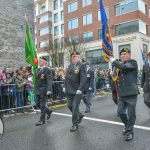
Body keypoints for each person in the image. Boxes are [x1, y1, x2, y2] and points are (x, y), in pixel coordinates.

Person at [110, 48, 139, 141]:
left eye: (125, 54)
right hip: (122, 94)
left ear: (129, 55)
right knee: (120, 112)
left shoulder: (133, 62)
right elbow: (115, 76)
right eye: (121, 54)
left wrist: (114, 61)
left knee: (131, 114)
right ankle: (127, 126)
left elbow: (125, 67)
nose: (123, 55)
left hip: (131, 93)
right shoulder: (119, 65)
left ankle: (130, 131)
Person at [65, 51, 87, 132]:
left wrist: (80, 89)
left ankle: (75, 124)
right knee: (69, 105)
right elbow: (67, 77)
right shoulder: (70, 65)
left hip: (77, 90)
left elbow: (83, 78)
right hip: (69, 89)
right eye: (72, 56)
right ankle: (80, 115)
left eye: (75, 56)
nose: (73, 58)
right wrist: (65, 86)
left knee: (74, 107)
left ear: (79, 57)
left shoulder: (81, 65)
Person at [34, 57, 53, 126]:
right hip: (37, 89)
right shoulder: (38, 69)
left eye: (41, 61)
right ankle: (48, 111)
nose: (39, 62)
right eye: (39, 61)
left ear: (45, 62)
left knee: (42, 105)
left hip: (44, 89)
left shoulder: (47, 69)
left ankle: (42, 120)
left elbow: (49, 80)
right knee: (37, 104)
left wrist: (49, 90)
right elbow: (37, 79)